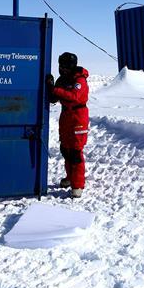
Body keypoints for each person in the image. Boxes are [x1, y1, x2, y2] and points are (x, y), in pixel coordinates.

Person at [45, 52, 89, 198]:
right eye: (61, 66)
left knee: (76, 152)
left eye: (65, 66)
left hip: (78, 117)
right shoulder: (62, 80)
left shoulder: (79, 80)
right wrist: (49, 87)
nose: (62, 69)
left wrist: (55, 89)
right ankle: (70, 178)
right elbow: (54, 98)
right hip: (66, 117)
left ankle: (78, 185)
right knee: (66, 149)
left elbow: (74, 96)